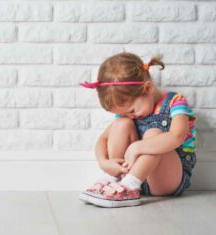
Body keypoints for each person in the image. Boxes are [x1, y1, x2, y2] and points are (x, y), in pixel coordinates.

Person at [78, 52, 197, 208]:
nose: (130, 115)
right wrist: (104, 162)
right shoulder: (127, 116)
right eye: (124, 112)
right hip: (133, 178)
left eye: (132, 110)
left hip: (167, 179)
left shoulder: (176, 102)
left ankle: (130, 186)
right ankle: (118, 183)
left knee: (154, 134)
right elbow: (103, 139)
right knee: (121, 124)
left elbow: (177, 137)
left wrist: (138, 146)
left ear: (147, 88)